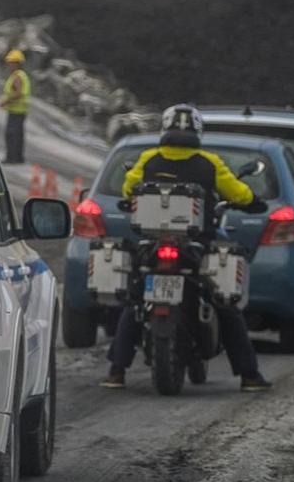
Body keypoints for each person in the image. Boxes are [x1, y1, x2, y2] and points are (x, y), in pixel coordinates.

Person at [102, 103, 272, 391]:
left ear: (165, 128)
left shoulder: (148, 159)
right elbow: (239, 193)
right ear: (197, 130)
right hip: (196, 246)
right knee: (225, 304)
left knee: (134, 301)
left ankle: (117, 371)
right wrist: (253, 201)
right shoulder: (210, 163)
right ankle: (249, 375)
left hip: (153, 244)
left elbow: (128, 189)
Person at [0, 50, 31, 164]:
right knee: (18, 135)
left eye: (11, 62)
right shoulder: (20, 75)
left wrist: (6, 101)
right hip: (19, 110)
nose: (9, 65)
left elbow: (18, 93)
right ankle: (18, 157)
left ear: (17, 63)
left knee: (11, 134)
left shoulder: (18, 76)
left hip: (16, 111)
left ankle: (12, 158)